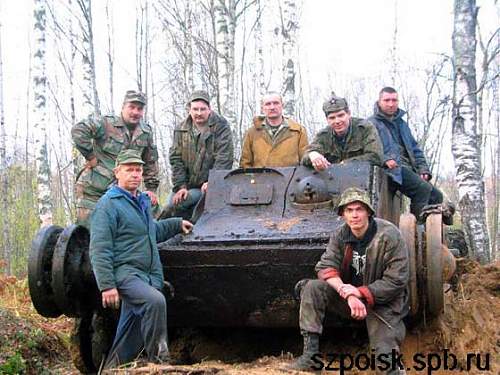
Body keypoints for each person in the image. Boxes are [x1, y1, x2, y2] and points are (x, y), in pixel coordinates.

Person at [89, 149, 193, 368]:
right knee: (155, 302)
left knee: (131, 329)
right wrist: (107, 285)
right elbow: (100, 248)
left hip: (147, 274)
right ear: (117, 172)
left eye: (138, 170)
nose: (135, 175)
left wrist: (176, 224)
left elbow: (149, 231)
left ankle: (113, 369)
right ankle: (160, 363)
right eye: (129, 170)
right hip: (126, 274)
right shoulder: (108, 205)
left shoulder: (142, 201)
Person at [288, 187, 409, 374]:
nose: (354, 215)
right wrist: (347, 292)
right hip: (349, 300)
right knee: (312, 287)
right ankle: (310, 356)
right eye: (349, 210)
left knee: (386, 363)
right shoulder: (341, 235)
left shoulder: (389, 235)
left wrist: (360, 292)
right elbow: (326, 267)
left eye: (359, 209)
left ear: (368, 212)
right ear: (343, 214)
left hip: (382, 302)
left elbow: (396, 280)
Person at [71, 90, 159, 228]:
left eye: (140, 108)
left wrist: (151, 188)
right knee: (91, 231)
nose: (135, 112)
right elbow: (79, 130)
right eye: (132, 107)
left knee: (145, 220)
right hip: (95, 189)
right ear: (123, 107)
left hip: (124, 191)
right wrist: (90, 156)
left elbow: (150, 161)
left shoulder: (145, 132)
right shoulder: (106, 123)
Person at [368, 87, 444, 220]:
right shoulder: (371, 124)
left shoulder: (402, 124)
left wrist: (423, 169)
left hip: (408, 168)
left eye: (394, 100)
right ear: (379, 102)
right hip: (391, 170)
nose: (391, 104)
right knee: (422, 189)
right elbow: (368, 149)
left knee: (436, 196)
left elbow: (415, 149)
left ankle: (432, 229)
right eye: (387, 100)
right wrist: (384, 159)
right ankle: (418, 230)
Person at [164, 90, 234, 219]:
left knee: (200, 214)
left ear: (210, 110)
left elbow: (224, 157)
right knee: (169, 208)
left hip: (209, 185)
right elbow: (176, 159)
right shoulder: (181, 129)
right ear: (189, 109)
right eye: (195, 109)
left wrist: (212, 181)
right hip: (187, 185)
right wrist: (181, 186)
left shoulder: (221, 126)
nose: (199, 113)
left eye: (203, 109)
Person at [302, 95, 383, 171]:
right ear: (327, 120)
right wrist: (312, 155)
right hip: (332, 180)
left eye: (341, 115)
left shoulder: (364, 129)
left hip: (361, 177)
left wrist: (346, 164)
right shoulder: (324, 135)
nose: (337, 121)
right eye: (332, 118)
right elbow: (305, 157)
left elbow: (375, 157)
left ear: (348, 114)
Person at [239, 92, 309, 168]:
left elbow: (305, 162)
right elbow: (245, 165)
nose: (272, 107)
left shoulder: (298, 131)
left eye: (276, 103)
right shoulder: (252, 133)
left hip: (290, 178)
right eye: (268, 104)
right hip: (261, 179)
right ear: (262, 108)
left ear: (282, 105)